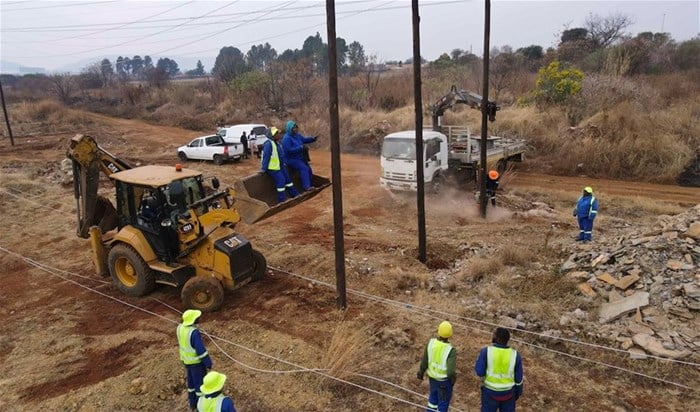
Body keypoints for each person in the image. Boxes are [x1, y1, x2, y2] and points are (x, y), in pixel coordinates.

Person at [474, 327, 524, 412]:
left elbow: (480, 372)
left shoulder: (486, 351)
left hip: (490, 393)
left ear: (497, 338)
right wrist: (517, 393)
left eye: (494, 334)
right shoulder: (515, 355)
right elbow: (519, 380)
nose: (492, 335)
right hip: (508, 394)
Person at [177, 309, 213, 411]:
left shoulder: (180, 328)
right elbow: (201, 350)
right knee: (200, 386)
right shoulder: (194, 332)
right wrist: (208, 363)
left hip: (186, 361)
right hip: (196, 363)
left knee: (191, 384)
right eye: (197, 318)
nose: (199, 318)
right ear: (193, 320)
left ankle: (192, 404)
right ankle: (200, 406)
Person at [417, 321, 457, 412]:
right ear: (450, 334)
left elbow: (424, 361)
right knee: (442, 404)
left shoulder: (431, 343)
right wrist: (453, 380)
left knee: (432, 401)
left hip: (432, 379)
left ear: (438, 331)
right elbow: (450, 372)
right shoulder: (450, 350)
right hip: (444, 382)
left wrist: (420, 373)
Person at [260, 126, 300, 204]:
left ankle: (295, 194)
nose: (279, 134)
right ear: (271, 135)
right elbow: (266, 157)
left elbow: (280, 155)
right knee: (281, 180)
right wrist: (263, 169)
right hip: (273, 168)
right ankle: (282, 200)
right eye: (276, 133)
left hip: (280, 166)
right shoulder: (268, 144)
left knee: (288, 180)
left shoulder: (276, 143)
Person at [281, 120, 317, 192]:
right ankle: (306, 187)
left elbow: (304, 139)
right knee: (304, 168)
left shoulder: (297, 135)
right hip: (291, 159)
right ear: (290, 129)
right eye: (294, 128)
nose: (296, 129)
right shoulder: (286, 138)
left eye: (296, 127)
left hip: (299, 157)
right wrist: (300, 148)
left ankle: (310, 184)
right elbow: (288, 150)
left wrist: (312, 139)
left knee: (308, 169)